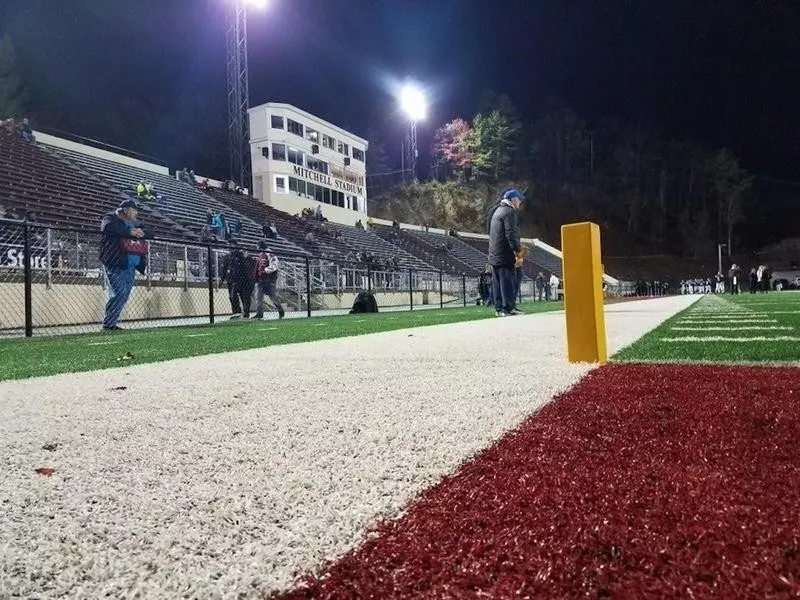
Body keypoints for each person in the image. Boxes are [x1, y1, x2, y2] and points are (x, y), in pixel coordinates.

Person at [99, 199, 148, 331]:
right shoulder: (111, 217)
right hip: (116, 262)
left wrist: (143, 233)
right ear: (125, 210)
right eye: (134, 210)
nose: (136, 213)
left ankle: (110, 323)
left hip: (131, 264)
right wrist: (130, 232)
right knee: (119, 292)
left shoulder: (136, 223)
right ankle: (108, 323)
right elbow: (108, 228)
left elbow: (150, 231)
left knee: (124, 294)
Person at [488, 188, 524, 316]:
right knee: (509, 281)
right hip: (504, 254)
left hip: (494, 254)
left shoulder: (497, 211)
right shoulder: (509, 212)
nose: (519, 204)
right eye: (519, 200)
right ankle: (508, 308)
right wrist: (518, 251)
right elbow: (510, 233)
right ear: (513, 200)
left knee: (498, 283)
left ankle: (499, 309)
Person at [220, 242, 254, 319]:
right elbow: (224, 268)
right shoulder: (228, 257)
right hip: (232, 280)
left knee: (244, 297)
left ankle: (245, 312)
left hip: (243, 280)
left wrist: (250, 281)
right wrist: (222, 279)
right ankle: (236, 312)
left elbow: (247, 270)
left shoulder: (245, 258)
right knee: (233, 296)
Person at [253, 241, 285, 320]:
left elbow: (275, 265)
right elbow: (257, 268)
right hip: (260, 280)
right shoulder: (261, 255)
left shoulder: (269, 254)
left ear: (260, 246)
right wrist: (256, 277)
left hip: (269, 280)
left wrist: (265, 271)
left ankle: (280, 310)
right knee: (258, 297)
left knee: (273, 297)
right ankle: (259, 313)